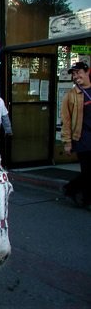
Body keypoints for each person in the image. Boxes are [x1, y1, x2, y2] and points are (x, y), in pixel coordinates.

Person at [61, 61, 91, 210]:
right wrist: (67, 142)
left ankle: (71, 189)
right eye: (73, 74)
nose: (75, 76)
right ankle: (85, 199)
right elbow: (66, 121)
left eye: (78, 72)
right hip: (82, 139)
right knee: (87, 171)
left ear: (87, 72)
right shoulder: (71, 96)